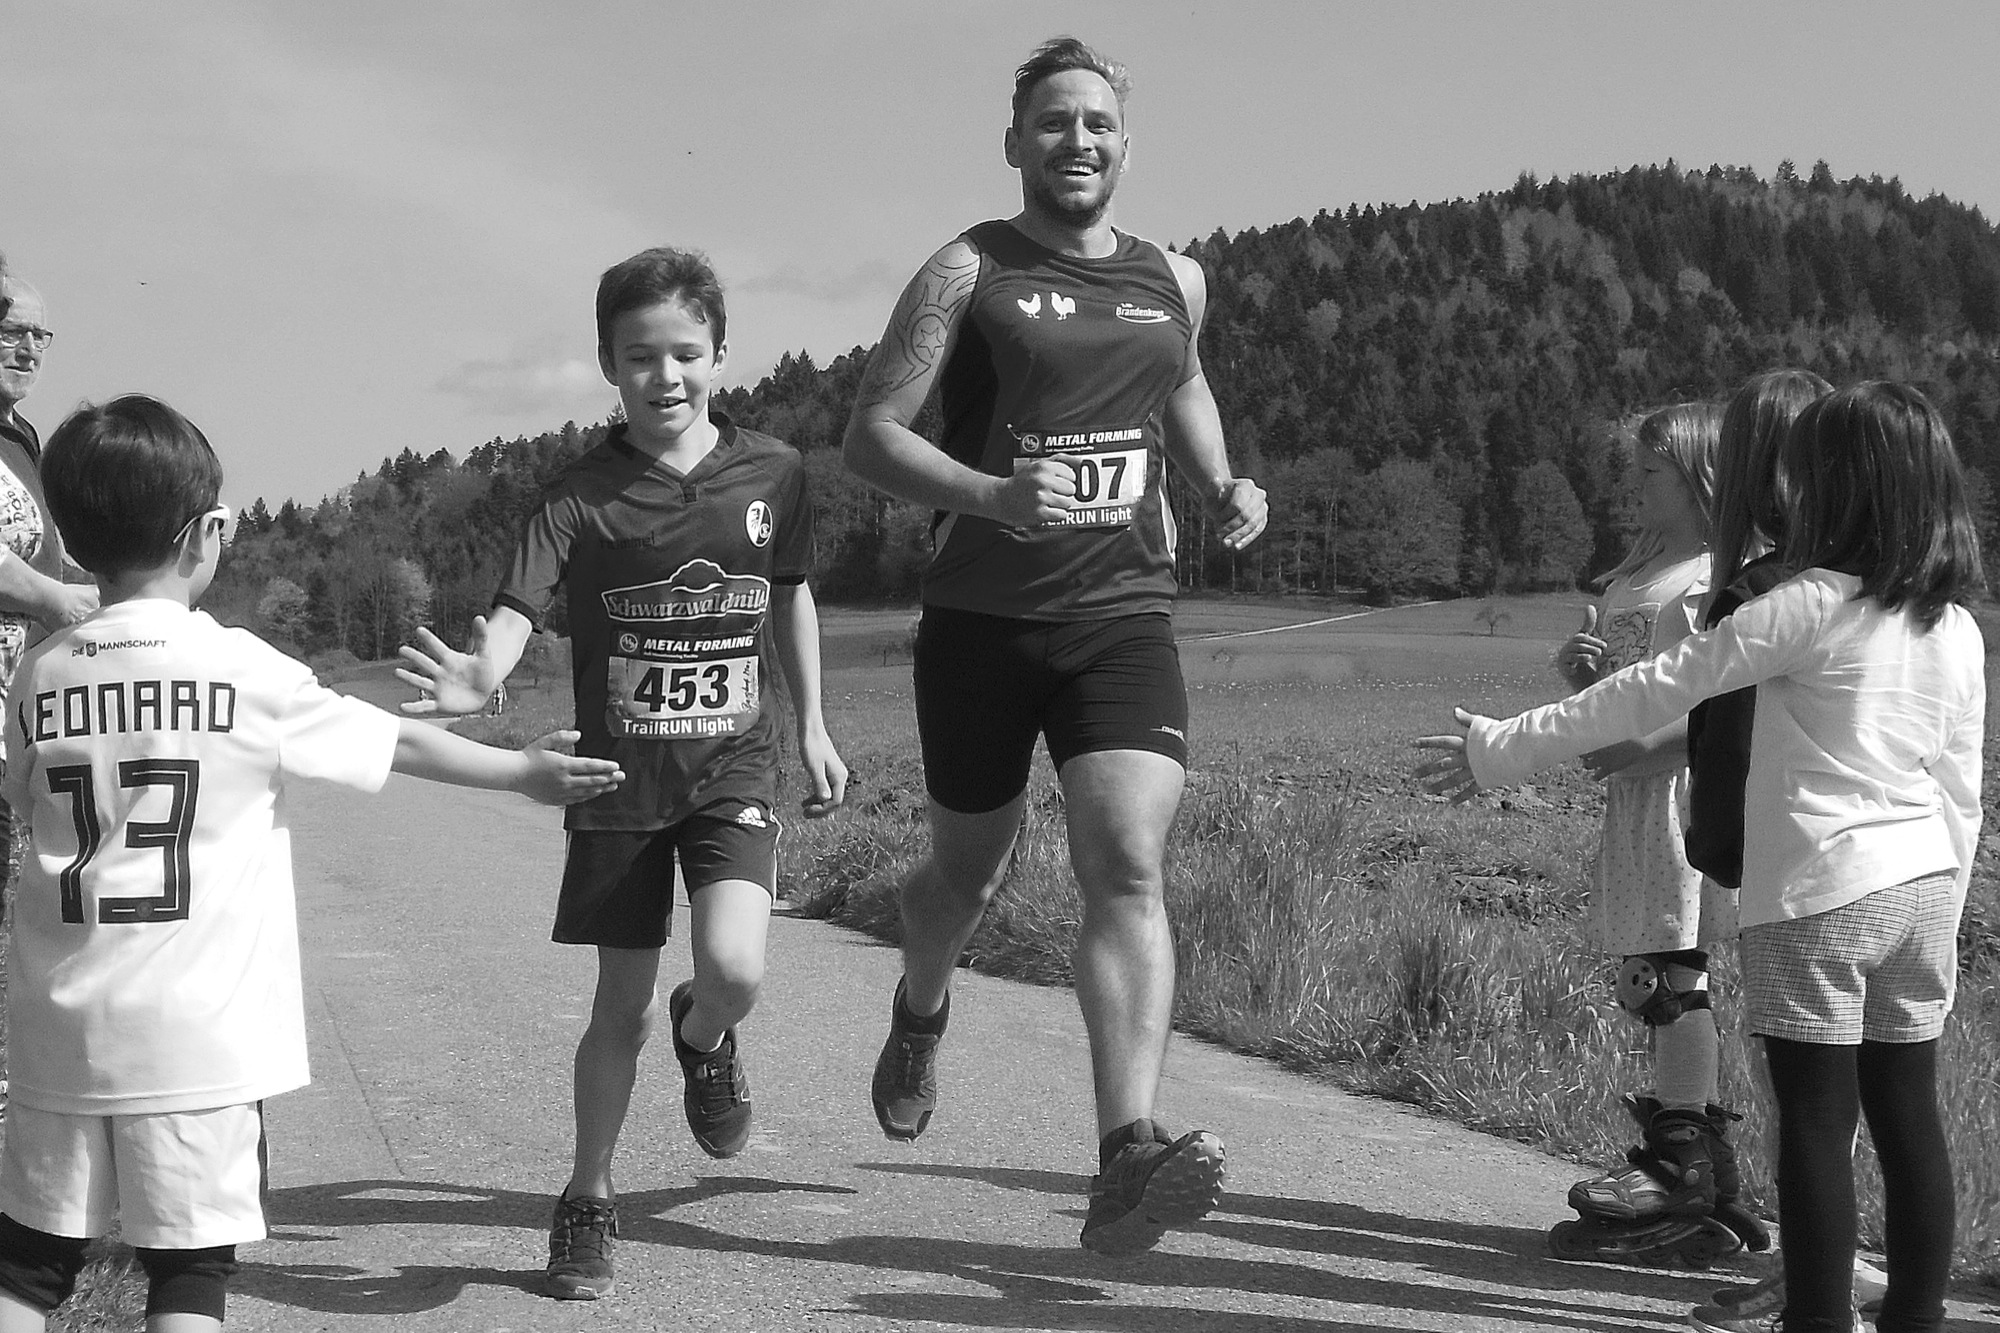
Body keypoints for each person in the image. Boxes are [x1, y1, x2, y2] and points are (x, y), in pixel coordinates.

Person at [0, 396, 623, 1333]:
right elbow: (394, 742)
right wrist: (522, 774)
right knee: (188, 1273)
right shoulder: (241, 669)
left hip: (56, 1028)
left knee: (28, 1265)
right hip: (198, 1042)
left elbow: (25, 799)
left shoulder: (40, 672)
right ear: (204, 534)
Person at [1417, 381, 1983, 1333]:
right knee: (1908, 1117)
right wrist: (1949, 918)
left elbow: (1652, 688)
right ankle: (1916, 1320)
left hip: (1820, 897)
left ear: (1836, 484)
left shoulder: (1809, 605)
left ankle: (1817, 1319)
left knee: (1815, 1125)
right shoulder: (1954, 626)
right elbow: (1960, 789)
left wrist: (1499, 747)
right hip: (1923, 892)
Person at [841, 35, 1267, 1256]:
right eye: (1051, 122)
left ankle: (1124, 1149)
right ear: (1014, 142)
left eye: (1094, 123)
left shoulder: (1173, 279)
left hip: (1121, 615)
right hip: (981, 622)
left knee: (1125, 857)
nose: (1075, 140)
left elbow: (1181, 382)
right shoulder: (966, 268)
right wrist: (991, 496)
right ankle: (920, 1007)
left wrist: (1220, 480)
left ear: (1124, 144)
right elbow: (870, 435)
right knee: (960, 881)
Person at [398, 246, 847, 1301]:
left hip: (732, 765)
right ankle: (588, 1197)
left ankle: (709, 1034)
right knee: (620, 1007)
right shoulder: (576, 497)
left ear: (721, 354)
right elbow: (514, 614)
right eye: (640, 356)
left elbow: (790, 591)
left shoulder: (773, 472)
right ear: (607, 364)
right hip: (615, 785)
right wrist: (480, 676)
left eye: (685, 352)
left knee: (735, 970)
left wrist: (815, 724)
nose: (665, 375)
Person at [1681, 372, 1894, 1327]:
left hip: (1794, 867)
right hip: (1899, 872)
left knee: (1802, 1096)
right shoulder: (1880, 584)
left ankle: (1820, 1279)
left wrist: (1718, 851)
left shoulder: (1762, 592)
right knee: (1867, 1097)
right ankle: (1848, 1272)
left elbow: (1724, 744)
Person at [1537, 403, 1765, 1265]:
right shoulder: (1636, 575)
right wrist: (1583, 681)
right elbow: (1625, 691)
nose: (1634, 484)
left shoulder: (1713, 579)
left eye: (1650, 472)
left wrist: (1646, 745)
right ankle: (1707, 1163)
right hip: (1635, 798)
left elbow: (1721, 705)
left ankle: (1682, 1165)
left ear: (1701, 476)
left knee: (1668, 975)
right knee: (1651, 974)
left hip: (1680, 791)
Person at [0, 274, 99, 891]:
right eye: (12, 331)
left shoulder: (21, 435)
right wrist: (53, 599)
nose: (30, 349)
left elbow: (46, 554)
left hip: (19, 712)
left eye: (41, 335)